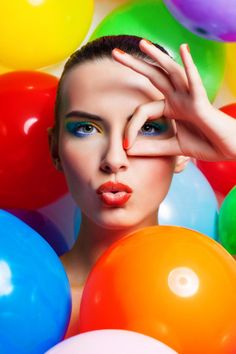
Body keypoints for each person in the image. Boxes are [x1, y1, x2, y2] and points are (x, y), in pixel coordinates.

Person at [47, 34, 236, 337]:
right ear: (55, 149)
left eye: (147, 127)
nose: (114, 159)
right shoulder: (15, 298)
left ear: (183, 151)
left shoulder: (224, 294)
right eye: (86, 128)